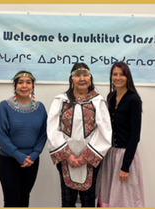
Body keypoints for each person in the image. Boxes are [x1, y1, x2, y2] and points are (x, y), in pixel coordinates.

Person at [47, 63, 112, 207]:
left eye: (85, 75)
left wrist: (86, 157)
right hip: (65, 159)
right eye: (77, 75)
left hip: (89, 160)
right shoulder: (61, 100)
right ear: (71, 79)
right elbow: (52, 129)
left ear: (90, 78)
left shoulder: (97, 101)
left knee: (88, 201)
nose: (82, 78)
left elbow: (104, 131)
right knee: (67, 200)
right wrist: (67, 156)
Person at [0, 70, 47, 207]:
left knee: (24, 199)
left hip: (31, 161)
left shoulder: (40, 108)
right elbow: (0, 137)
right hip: (9, 160)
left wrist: (34, 155)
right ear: (15, 85)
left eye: (28, 82)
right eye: (21, 82)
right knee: (11, 200)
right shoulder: (4, 106)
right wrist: (19, 155)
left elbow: (43, 134)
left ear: (33, 86)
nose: (24, 86)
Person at [96, 61, 145, 207]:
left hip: (125, 156)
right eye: (114, 74)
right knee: (107, 197)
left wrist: (125, 167)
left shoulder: (134, 99)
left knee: (123, 198)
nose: (118, 78)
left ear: (127, 77)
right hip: (109, 154)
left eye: (121, 74)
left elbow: (135, 136)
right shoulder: (110, 97)